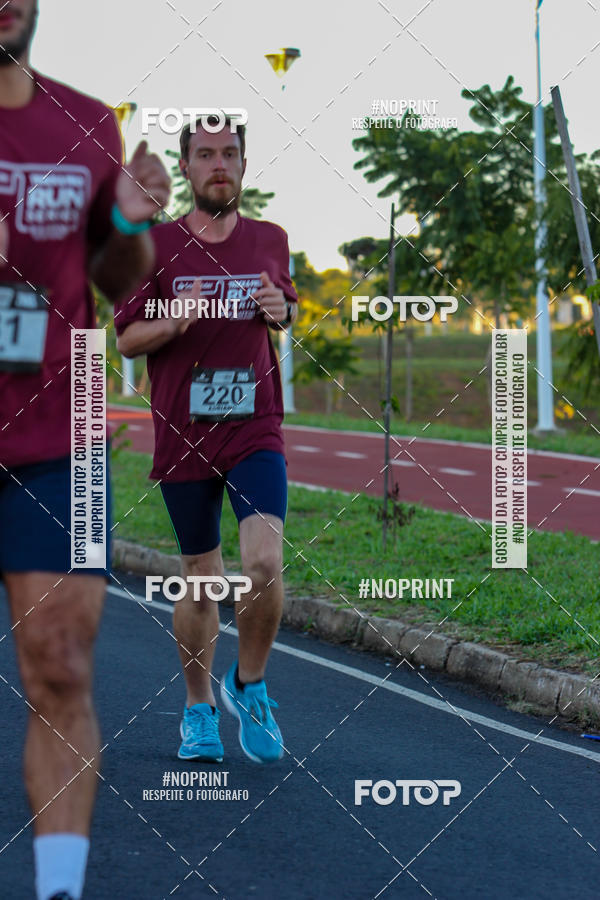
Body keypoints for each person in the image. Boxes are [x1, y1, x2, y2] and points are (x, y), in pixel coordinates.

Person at [0, 3, 170, 898]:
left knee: (63, 663)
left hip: (62, 434)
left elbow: (114, 276)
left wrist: (131, 227)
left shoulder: (88, 121)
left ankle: (59, 890)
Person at [115, 114, 298, 765]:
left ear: (244, 166)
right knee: (202, 579)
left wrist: (283, 311)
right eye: (204, 154)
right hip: (183, 431)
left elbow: (284, 303)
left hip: (254, 428)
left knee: (265, 564)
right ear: (186, 168)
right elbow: (126, 337)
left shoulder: (271, 238)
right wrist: (172, 319)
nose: (218, 164)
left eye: (229, 153)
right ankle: (197, 711)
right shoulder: (156, 245)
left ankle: (248, 685)